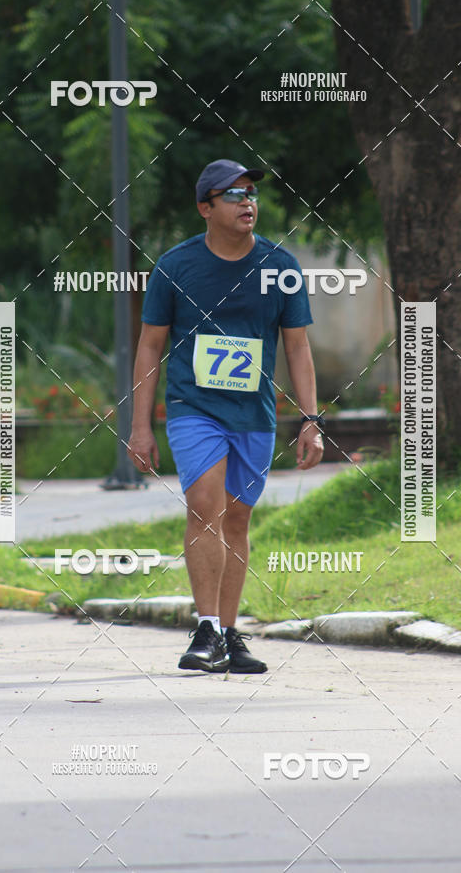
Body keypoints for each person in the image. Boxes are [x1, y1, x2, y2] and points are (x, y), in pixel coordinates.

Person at [127, 158, 323, 674]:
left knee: (237, 519)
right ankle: (206, 627)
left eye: (251, 193)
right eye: (233, 194)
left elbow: (298, 348)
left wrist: (310, 419)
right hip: (194, 408)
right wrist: (140, 426)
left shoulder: (280, 268)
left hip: (253, 413)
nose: (247, 202)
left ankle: (230, 635)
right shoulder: (175, 266)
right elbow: (150, 347)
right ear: (205, 207)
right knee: (203, 506)